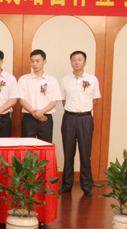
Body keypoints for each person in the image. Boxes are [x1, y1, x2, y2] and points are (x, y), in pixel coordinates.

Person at [60, 50, 101, 197]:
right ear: (71, 62)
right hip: (69, 118)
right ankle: (67, 184)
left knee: (85, 153)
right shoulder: (65, 80)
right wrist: (73, 111)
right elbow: (63, 100)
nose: (76, 62)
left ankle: (86, 186)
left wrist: (83, 110)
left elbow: (95, 100)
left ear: (85, 62)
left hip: (85, 119)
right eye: (74, 60)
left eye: (80, 59)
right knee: (68, 153)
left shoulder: (92, 79)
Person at [18, 49, 61, 143]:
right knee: (27, 146)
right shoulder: (23, 79)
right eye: (32, 61)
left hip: (45, 118)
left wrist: (41, 112)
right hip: (29, 118)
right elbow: (21, 100)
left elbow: (54, 101)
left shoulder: (52, 80)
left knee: (45, 145)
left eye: (38, 61)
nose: (35, 64)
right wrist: (34, 113)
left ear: (44, 62)